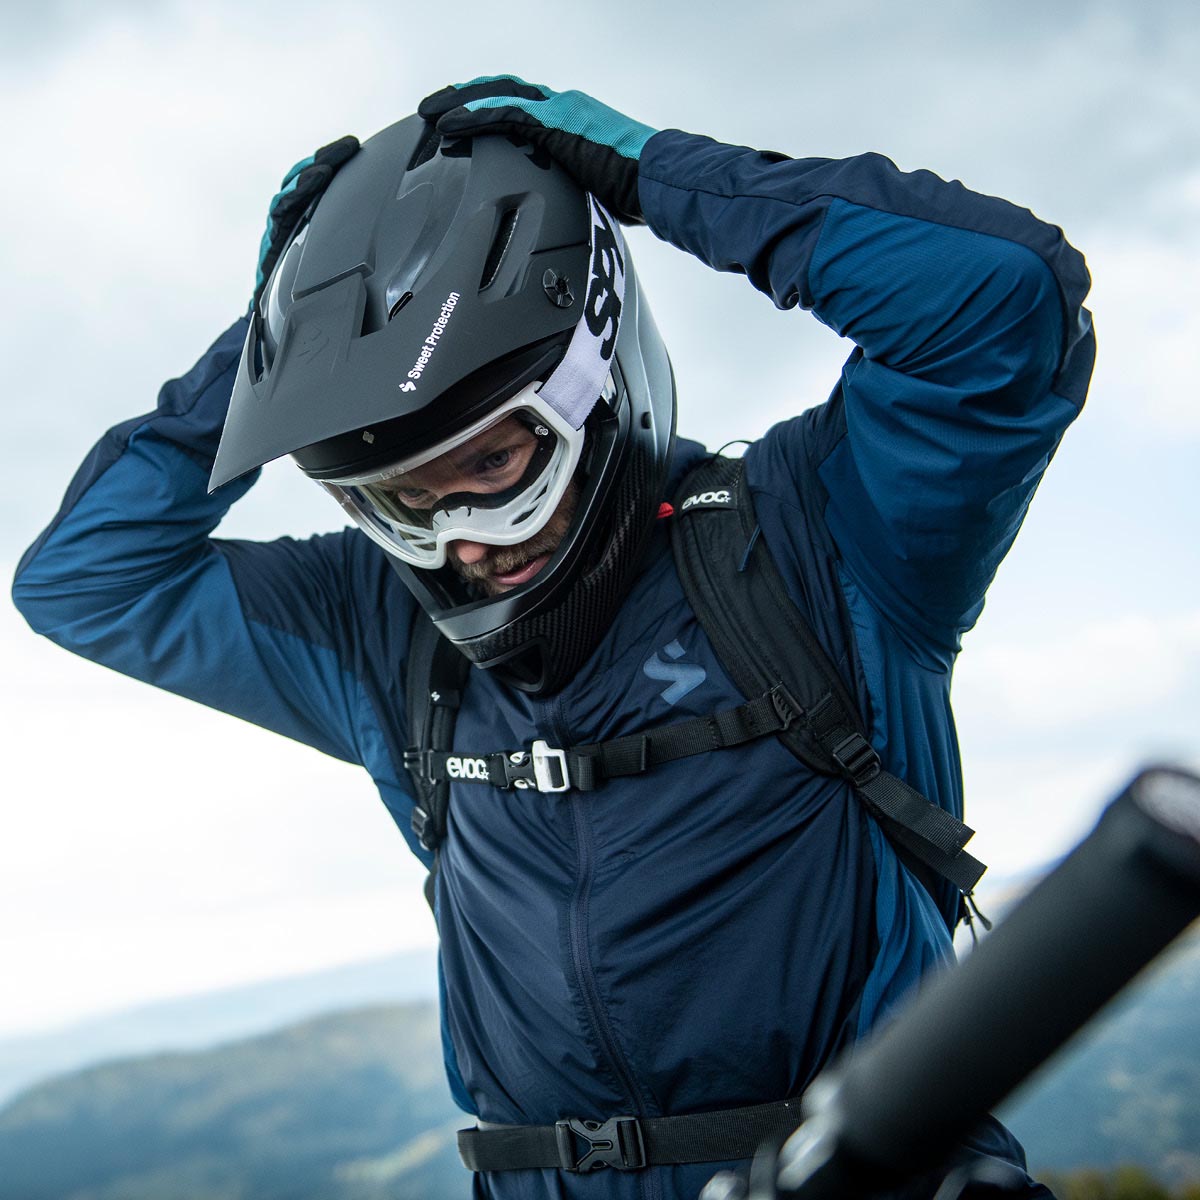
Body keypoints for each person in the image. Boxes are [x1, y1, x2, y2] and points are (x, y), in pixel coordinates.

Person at [12, 75, 1095, 1200]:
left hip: (862, 1176)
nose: (463, 541)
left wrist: (649, 173)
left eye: (493, 463)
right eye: (404, 499)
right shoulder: (382, 623)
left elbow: (1003, 303)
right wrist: (293, 332)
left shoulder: (822, 538)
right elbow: (83, 578)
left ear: (595, 382)